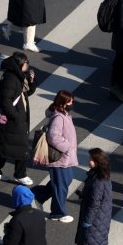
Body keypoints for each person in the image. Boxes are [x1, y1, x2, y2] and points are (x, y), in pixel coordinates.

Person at [0, 52, 36, 185]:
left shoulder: (17, 76)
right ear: (20, 64)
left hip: (16, 118)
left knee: (5, 146)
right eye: (26, 62)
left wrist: (32, 82)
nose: (28, 64)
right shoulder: (11, 78)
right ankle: (20, 174)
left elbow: (25, 93)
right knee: (21, 147)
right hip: (13, 120)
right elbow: (5, 101)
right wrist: (16, 116)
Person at [32, 90, 78, 222]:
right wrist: (67, 147)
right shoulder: (59, 118)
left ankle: (38, 194)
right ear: (63, 103)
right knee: (60, 185)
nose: (72, 103)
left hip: (65, 157)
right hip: (60, 157)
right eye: (69, 101)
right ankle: (58, 213)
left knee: (65, 180)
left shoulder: (64, 114)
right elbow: (53, 137)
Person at [75, 148, 118, 245]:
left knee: (91, 244)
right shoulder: (98, 174)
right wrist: (83, 195)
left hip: (95, 218)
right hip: (99, 216)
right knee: (88, 244)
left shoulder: (98, 180)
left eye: (92, 160)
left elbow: (95, 203)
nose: (89, 161)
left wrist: (88, 220)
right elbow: (96, 197)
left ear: (98, 162)